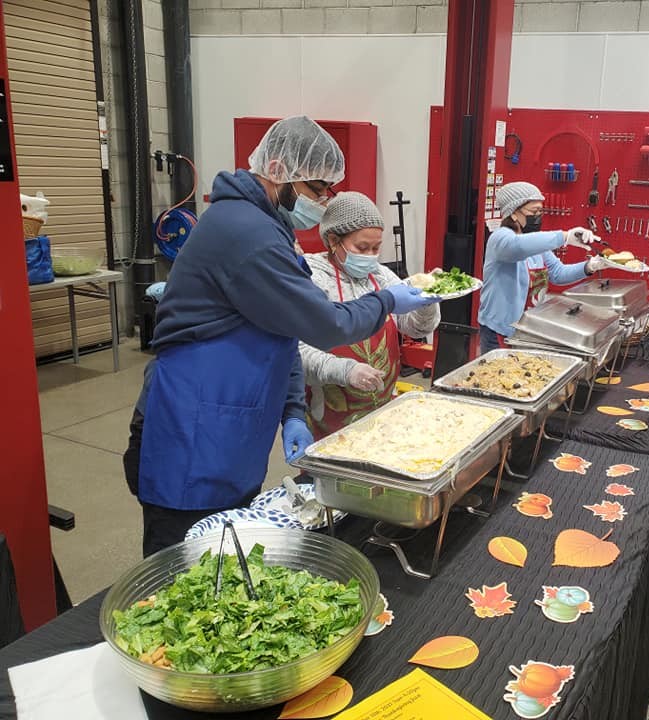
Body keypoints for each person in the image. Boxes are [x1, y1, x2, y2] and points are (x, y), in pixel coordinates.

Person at [122, 116, 438, 557]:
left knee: (227, 559)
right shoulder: (245, 231)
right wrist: (388, 301)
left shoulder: (267, 227)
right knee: (185, 565)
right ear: (276, 169)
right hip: (191, 428)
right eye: (316, 188)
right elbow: (324, 324)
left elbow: (281, 329)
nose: (323, 200)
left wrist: (291, 409)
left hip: (230, 426)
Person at [299, 191, 441, 437]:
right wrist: (344, 370)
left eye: (376, 248)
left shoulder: (380, 275)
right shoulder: (311, 277)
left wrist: (427, 300)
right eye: (361, 247)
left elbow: (414, 328)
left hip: (383, 406)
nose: (369, 256)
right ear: (333, 240)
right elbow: (295, 349)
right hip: (331, 414)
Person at [478, 181, 605, 354]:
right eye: (534, 211)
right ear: (514, 212)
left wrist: (589, 266)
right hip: (500, 330)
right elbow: (517, 247)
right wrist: (565, 237)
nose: (538, 216)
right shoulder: (500, 239)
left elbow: (558, 274)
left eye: (541, 211)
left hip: (528, 328)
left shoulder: (534, 242)